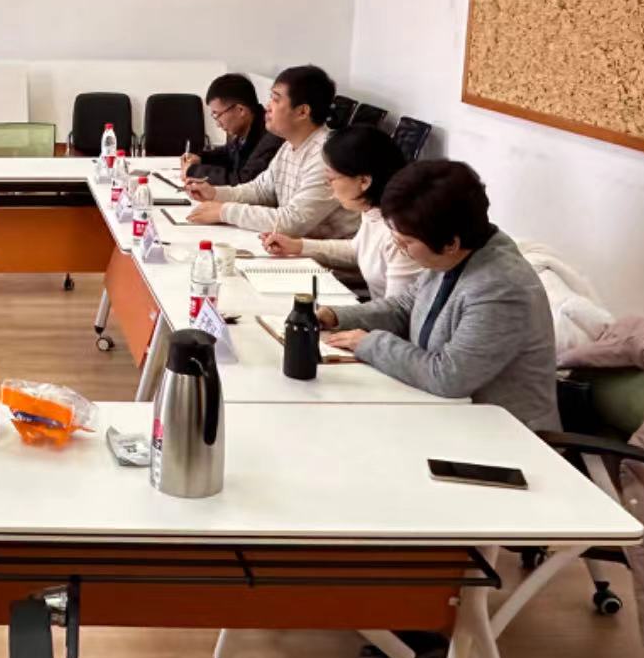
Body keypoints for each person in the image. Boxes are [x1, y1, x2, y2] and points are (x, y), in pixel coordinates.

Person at [319, 160, 560, 430]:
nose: (400, 248)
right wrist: (335, 316)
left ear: (450, 244)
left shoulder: (500, 289)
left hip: (505, 434)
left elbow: (448, 376)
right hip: (446, 413)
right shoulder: (456, 252)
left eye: (407, 242)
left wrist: (370, 343)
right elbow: (405, 307)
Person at [184, 64, 358, 240]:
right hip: (297, 247)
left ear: (302, 111)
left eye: (276, 99)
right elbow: (260, 190)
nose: (268, 107)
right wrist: (215, 193)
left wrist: (225, 211)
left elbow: (293, 222)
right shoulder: (289, 145)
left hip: (324, 253)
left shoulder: (326, 156)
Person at [259, 125, 422, 300]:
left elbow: (397, 310)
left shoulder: (400, 234)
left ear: (364, 181)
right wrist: (297, 246)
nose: (328, 186)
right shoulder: (372, 211)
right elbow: (356, 249)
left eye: (331, 179)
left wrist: (335, 314)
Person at [181, 73, 282, 187]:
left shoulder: (270, 136)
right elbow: (228, 154)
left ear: (240, 110)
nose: (218, 124)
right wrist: (200, 159)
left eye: (217, 115)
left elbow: (244, 181)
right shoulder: (248, 127)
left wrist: (194, 171)